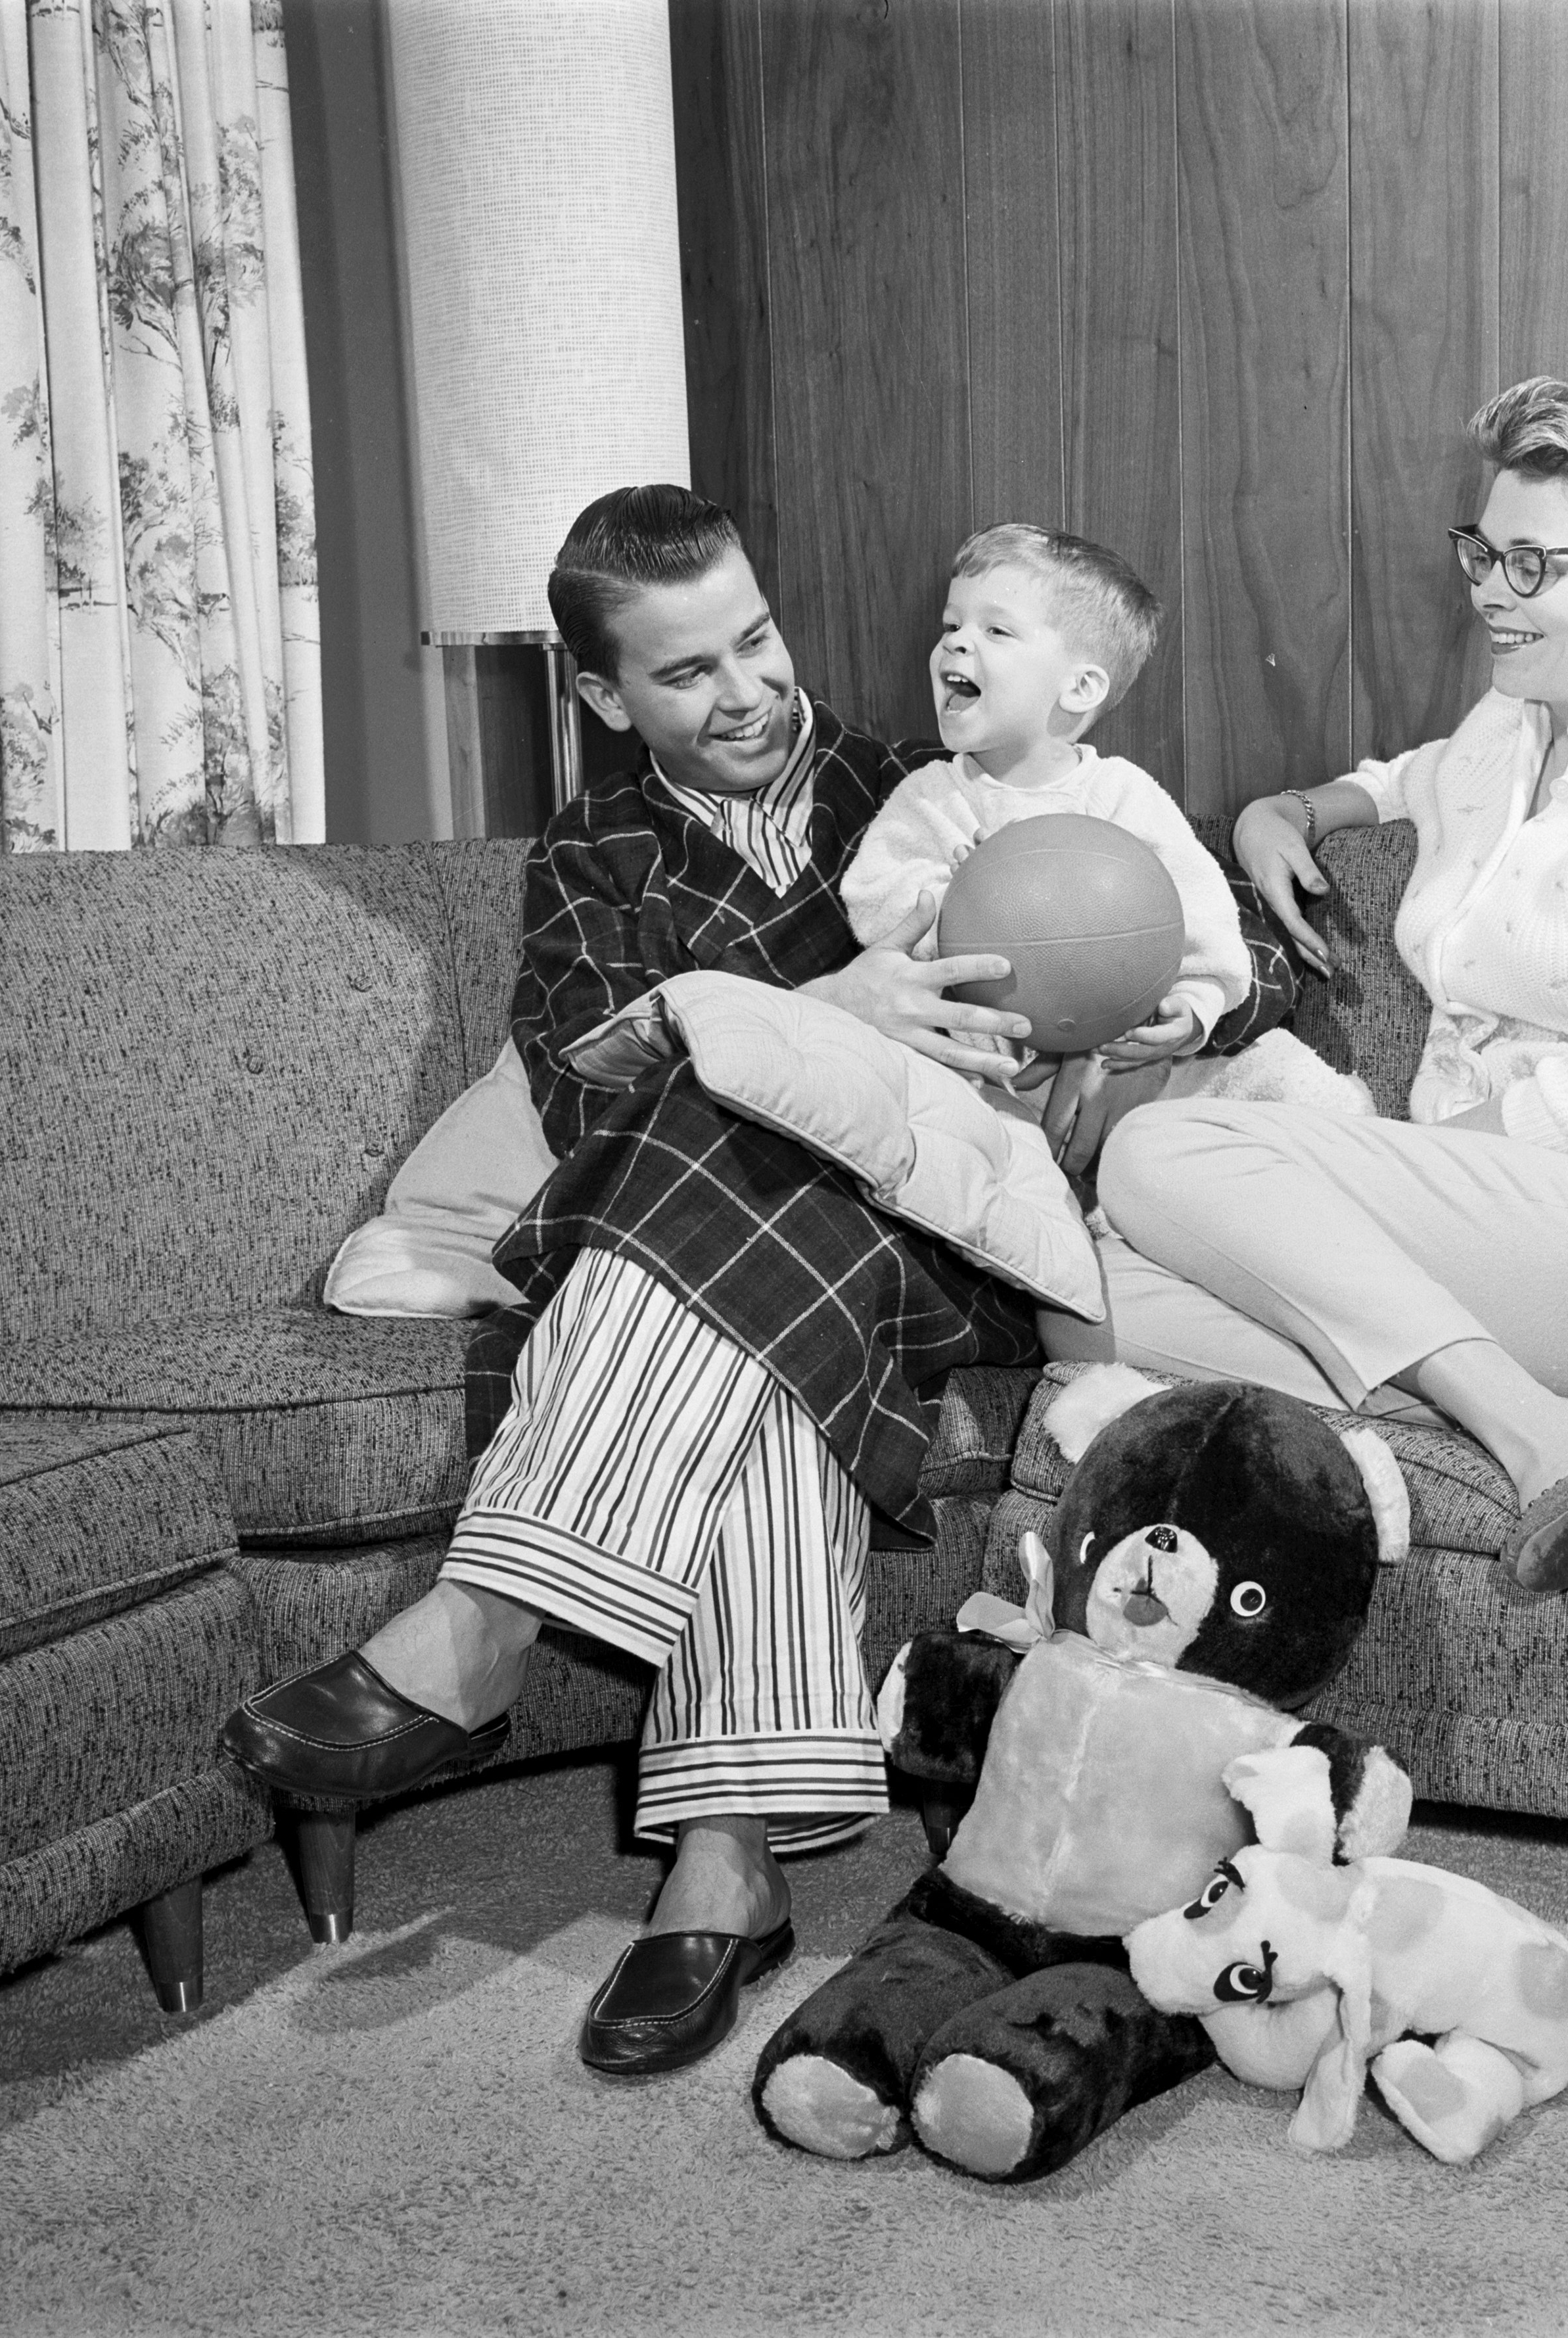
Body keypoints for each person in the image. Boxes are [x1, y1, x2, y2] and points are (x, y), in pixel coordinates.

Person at [219, 484, 1290, 2077]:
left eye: (758, 641)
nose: (747, 693)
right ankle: (724, 1862)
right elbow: (587, 1104)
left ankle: (492, 1607)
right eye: (687, 671)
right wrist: (822, 1004)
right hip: (746, 1245)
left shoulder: (908, 780)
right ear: (600, 695)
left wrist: (1142, 1021)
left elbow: (1137, 927)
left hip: (940, 1241)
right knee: (737, 1205)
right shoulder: (591, 853)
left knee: (736, 1162)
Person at [1049, 377, 1568, 1595]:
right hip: (1533, 1240)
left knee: (1161, 1157)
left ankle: (1545, 1437)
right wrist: (1296, 808)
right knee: (1080, 1294)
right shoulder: (1511, 727)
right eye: (1483, 550)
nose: (1487, 588)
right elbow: (1416, 776)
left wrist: (1375, 1181)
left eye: (1533, 564)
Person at [841, 522, 1252, 1118]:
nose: (956, 644)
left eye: (996, 630)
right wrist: (962, 901)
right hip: (974, 1078)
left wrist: (1191, 1012)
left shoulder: (1122, 796)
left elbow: (1206, 922)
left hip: (1115, 1071)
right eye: (951, 626)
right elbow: (872, 900)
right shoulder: (930, 797)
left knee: (1270, 1084)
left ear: (1081, 687)